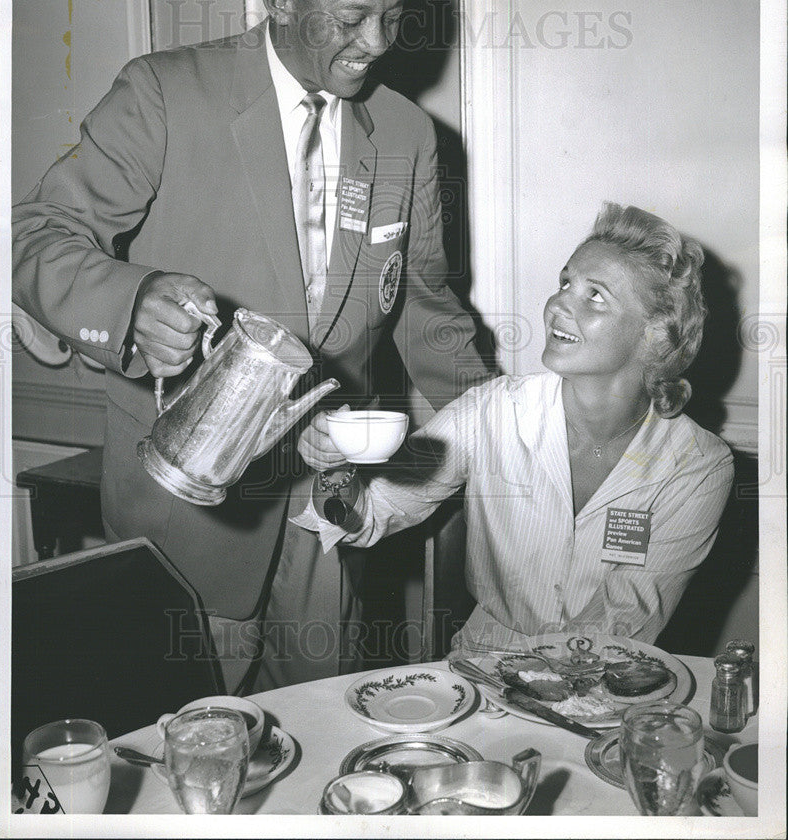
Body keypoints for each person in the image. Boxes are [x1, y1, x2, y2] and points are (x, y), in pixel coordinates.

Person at [12, 0, 490, 690]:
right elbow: (35, 230)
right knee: (188, 753)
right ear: (278, 2)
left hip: (326, 513)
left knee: (320, 736)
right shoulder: (165, 92)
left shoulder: (406, 132)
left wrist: (513, 429)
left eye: (392, 18)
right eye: (351, 18)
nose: (376, 43)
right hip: (184, 519)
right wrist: (131, 303)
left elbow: (429, 311)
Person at [297, 204, 735, 649]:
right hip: (484, 671)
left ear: (655, 335)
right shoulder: (493, 411)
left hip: (611, 682)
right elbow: (367, 514)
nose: (558, 303)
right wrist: (337, 469)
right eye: (565, 282)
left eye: (595, 295)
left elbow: (626, 625)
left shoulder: (697, 466)